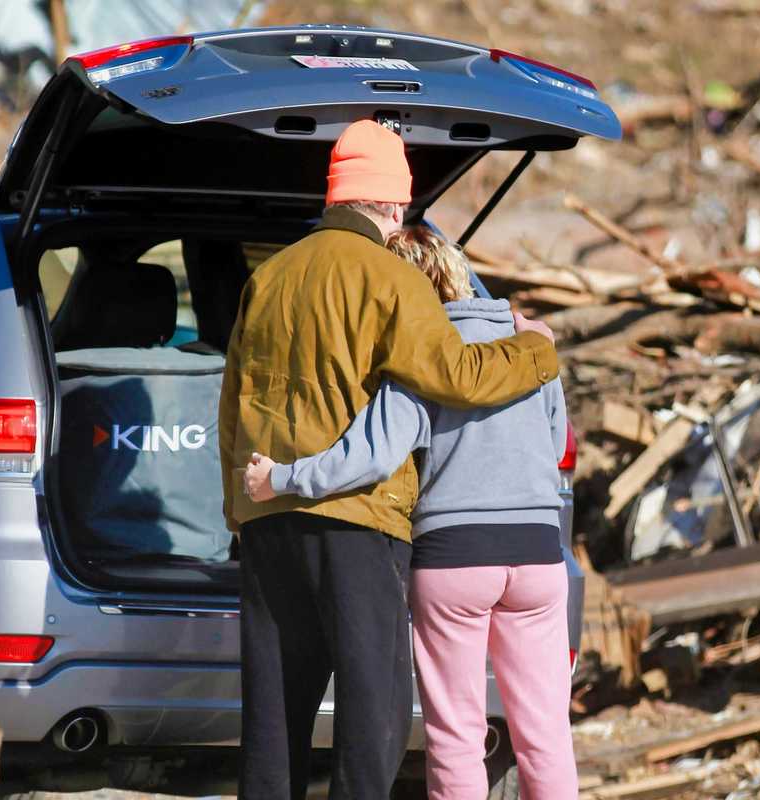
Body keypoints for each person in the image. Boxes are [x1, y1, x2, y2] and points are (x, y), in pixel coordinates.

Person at [218, 120, 560, 799]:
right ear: (393, 203)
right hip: (357, 519)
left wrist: (239, 509)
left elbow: (232, 402)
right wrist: (536, 352)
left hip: (268, 518)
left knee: (274, 719)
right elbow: (456, 375)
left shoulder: (269, 277)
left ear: (335, 195)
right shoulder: (389, 277)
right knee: (371, 716)